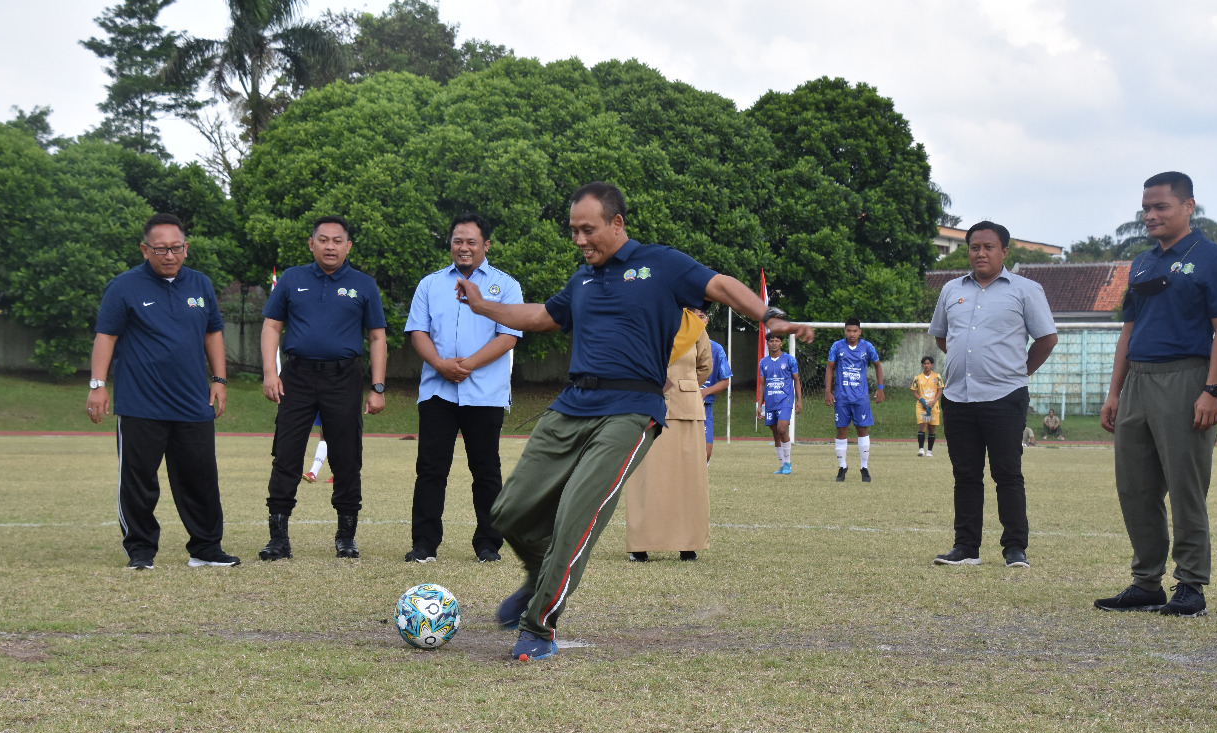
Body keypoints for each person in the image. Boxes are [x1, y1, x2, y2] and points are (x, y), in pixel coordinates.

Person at [453, 181, 814, 661]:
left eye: (588, 230)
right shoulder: (582, 280)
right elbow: (541, 314)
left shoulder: (661, 264)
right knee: (507, 510)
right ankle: (543, 572)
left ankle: (538, 627)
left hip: (631, 410)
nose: (580, 240)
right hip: (573, 404)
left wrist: (768, 315)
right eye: (573, 231)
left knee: (574, 517)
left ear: (616, 223)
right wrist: (482, 306)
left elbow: (721, 285)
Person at [1095, 171, 1217, 617]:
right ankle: (1146, 583)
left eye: (1161, 207)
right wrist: (1114, 391)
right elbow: (1128, 331)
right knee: (1134, 487)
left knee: (1185, 486)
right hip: (1138, 380)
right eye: (1146, 208)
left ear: (1188, 206)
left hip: (1186, 379)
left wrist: (1212, 390)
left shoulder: (1214, 259)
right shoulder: (1141, 263)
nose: (1150, 215)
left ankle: (1191, 585)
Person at [85, 212, 240, 570]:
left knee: (201, 478)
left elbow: (213, 331)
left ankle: (205, 548)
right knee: (139, 481)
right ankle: (141, 551)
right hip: (141, 404)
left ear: (186, 248)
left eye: (176, 248)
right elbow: (105, 337)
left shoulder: (200, 284)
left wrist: (219, 380)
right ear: (144, 249)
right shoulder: (123, 287)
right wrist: (97, 385)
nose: (170, 256)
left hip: (192, 402)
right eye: (161, 249)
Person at [928, 220, 1057, 569]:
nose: (981, 253)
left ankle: (1015, 548)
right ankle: (966, 547)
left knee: (1007, 473)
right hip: (957, 397)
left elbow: (1046, 339)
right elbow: (942, 336)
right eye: (974, 247)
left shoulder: (1026, 290)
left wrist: (1019, 372)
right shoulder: (951, 289)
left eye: (989, 247)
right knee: (965, 474)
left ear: (1004, 251)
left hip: (1005, 396)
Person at [258, 215, 388, 561]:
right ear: (311, 243)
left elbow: (377, 337)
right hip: (296, 378)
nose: (330, 246)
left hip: (343, 378)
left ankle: (346, 537)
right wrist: (271, 373)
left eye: (337, 240)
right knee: (286, 455)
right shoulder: (291, 278)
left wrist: (377, 386)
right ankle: (278, 538)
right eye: (323, 239)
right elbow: (272, 326)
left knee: (346, 457)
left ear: (348, 246)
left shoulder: (363, 284)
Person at [403, 212, 522, 564]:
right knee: (430, 469)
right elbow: (417, 332)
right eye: (458, 241)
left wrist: (468, 365)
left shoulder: (506, 286)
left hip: (484, 393)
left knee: (486, 471)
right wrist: (440, 365)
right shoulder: (430, 284)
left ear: (486, 245)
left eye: (472, 241)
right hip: (438, 392)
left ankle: (488, 544)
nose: (464, 247)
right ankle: (424, 545)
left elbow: (509, 337)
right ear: (451, 244)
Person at [626, 319, 712, 563]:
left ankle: (688, 544)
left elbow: (704, 366)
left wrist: (684, 385)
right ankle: (640, 543)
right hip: (646, 405)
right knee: (645, 478)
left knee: (688, 479)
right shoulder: (642, 320)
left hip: (686, 407)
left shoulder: (695, 326)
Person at [824, 317, 884, 482]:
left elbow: (878, 365)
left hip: (860, 397)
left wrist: (880, 388)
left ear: (860, 332)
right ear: (844, 331)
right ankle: (842, 467)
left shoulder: (867, 347)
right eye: (849, 330)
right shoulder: (837, 346)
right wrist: (828, 391)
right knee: (841, 430)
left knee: (862, 430)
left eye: (855, 331)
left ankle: (864, 467)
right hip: (841, 397)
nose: (852, 334)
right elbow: (830, 368)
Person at [758, 332, 802, 474]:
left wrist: (799, 400)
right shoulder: (763, 362)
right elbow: (762, 384)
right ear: (768, 343)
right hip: (770, 401)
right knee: (775, 432)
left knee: (782, 429)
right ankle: (782, 465)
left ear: (782, 343)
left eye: (777, 341)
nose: (774, 343)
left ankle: (788, 463)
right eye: (771, 341)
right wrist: (759, 405)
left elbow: (796, 380)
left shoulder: (789, 360)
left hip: (785, 400)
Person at [700, 313, 732, 464]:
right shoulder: (679, 345)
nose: (699, 320)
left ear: (707, 320)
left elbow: (725, 381)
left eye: (702, 316)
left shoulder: (716, 349)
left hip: (704, 407)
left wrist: (704, 392)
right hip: (681, 406)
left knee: (705, 453)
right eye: (695, 316)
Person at [911, 355, 944, 456]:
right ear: (922, 365)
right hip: (922, 406)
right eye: (924, 363)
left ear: (932, 365)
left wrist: (934, 401)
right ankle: (921, 449)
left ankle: (929, 450)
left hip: (933, 405)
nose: (926, 365)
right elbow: (914, 391)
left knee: (932, 428)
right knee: (922, 426)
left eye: (928, 363)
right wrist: (921, 400)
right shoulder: (918, 378)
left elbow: (940, 390)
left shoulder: (937, 376)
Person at [303, 413, 331, 483]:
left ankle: (343, 473)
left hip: (340, 404)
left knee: (339, 433)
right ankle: (313, 473)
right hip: (323, 403)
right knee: (324, 433)